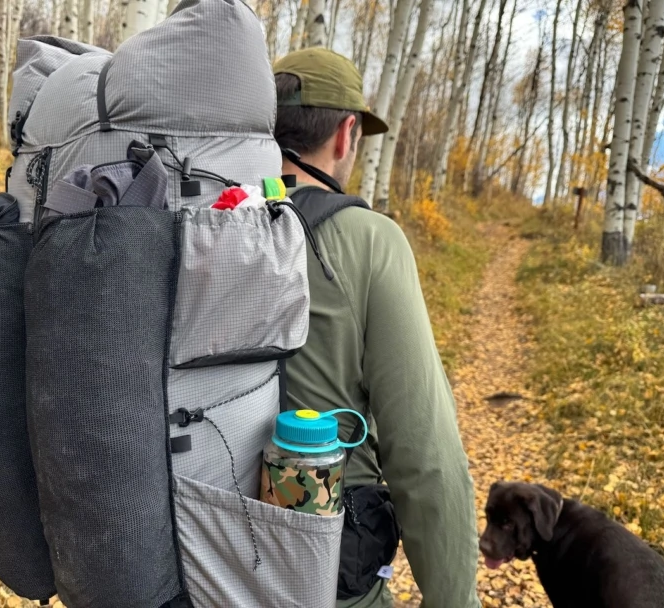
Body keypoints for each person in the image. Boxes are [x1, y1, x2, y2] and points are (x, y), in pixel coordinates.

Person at [272, 47, 482, 608]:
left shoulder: (213, 224)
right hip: (324, 573)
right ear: (346, 135)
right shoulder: (370, 240)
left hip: (211, 555)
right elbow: (426, 453)